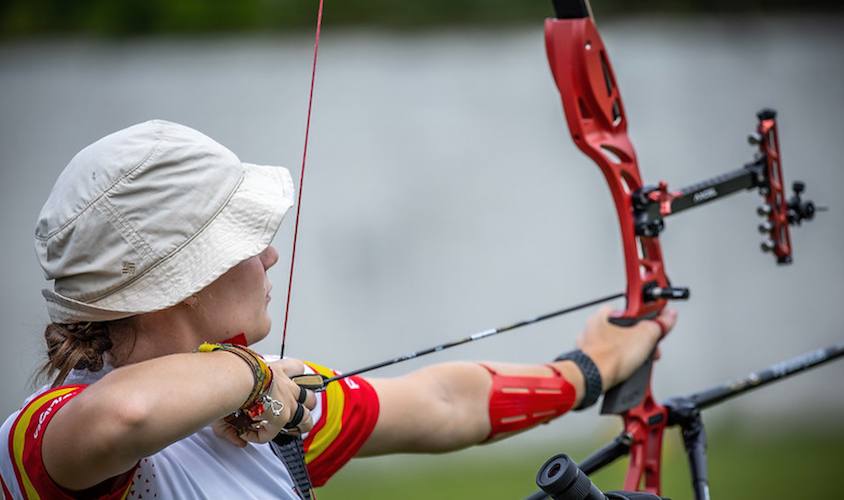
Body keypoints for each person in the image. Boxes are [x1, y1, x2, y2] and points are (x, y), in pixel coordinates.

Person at [0, 120, 675, 499]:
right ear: (185, 279)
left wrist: (588, 369)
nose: (267, 257)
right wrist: (258, 379)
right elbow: (129, 412)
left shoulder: (253, 417)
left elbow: (444, 401)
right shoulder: (46, 439)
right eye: (242, 241)